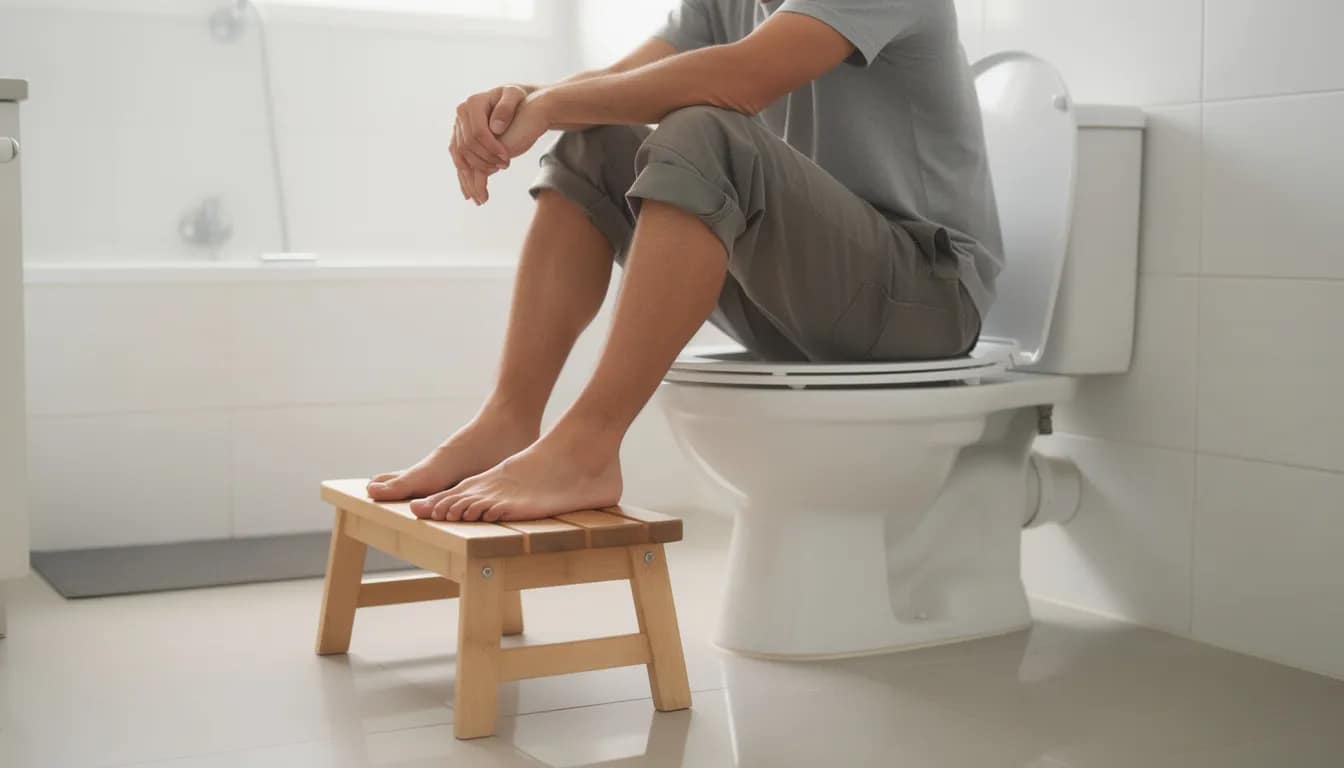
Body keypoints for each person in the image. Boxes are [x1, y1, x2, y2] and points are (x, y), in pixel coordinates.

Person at [367, 0, 1003, 523]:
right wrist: (516, 102)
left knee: (706, 129)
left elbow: (739, 79)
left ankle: (588, 444)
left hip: (927, 296)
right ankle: (508, 417)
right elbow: (617, 87)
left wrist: (548, 106)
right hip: (805, 300)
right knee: (597, 138)